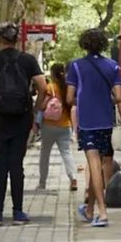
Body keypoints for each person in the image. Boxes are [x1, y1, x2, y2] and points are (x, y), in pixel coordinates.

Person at [0, 22, 47, 226]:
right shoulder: (28, 60)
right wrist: (35, 109)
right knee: (16, 165)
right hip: (21, 118)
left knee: (0, 166)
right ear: (17, 39)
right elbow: (43, 86)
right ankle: (18, 212)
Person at [66, 28, 121, 228]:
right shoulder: (113, 66)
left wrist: (84, 100)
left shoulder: (76, 66)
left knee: (93, 164)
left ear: (84, 44)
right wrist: (105, 100)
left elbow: (69, 98)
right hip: (106, 121)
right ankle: (90, 209)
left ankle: (102, 212)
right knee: (98, 164)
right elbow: (119, 96)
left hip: (87, 122)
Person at [38, 62, 79, 191]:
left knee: (45, 154)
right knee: (66, 153)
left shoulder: (50, 87)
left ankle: (42, 182)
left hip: (48, 126)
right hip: (65, 126)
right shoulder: (68, 87)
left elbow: (42, 106)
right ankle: (73, 179)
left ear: (52, 74)